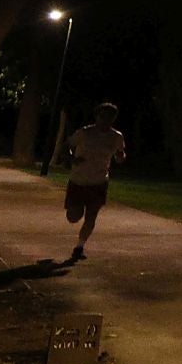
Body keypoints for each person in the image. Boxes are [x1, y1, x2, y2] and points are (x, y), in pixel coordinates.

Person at [62, 102, 127, 260]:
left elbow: (121, 154)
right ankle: (76, 214)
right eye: (102, 116)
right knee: (73, 216)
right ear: (97, 116)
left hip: (99, 182)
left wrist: (120, 157)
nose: (105, 120)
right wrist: (72, 158)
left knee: (91, 217)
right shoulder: (85, 133)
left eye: (110, 117)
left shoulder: (116, 136)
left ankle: (79, 246)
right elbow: (67, 145)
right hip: (78, 180)